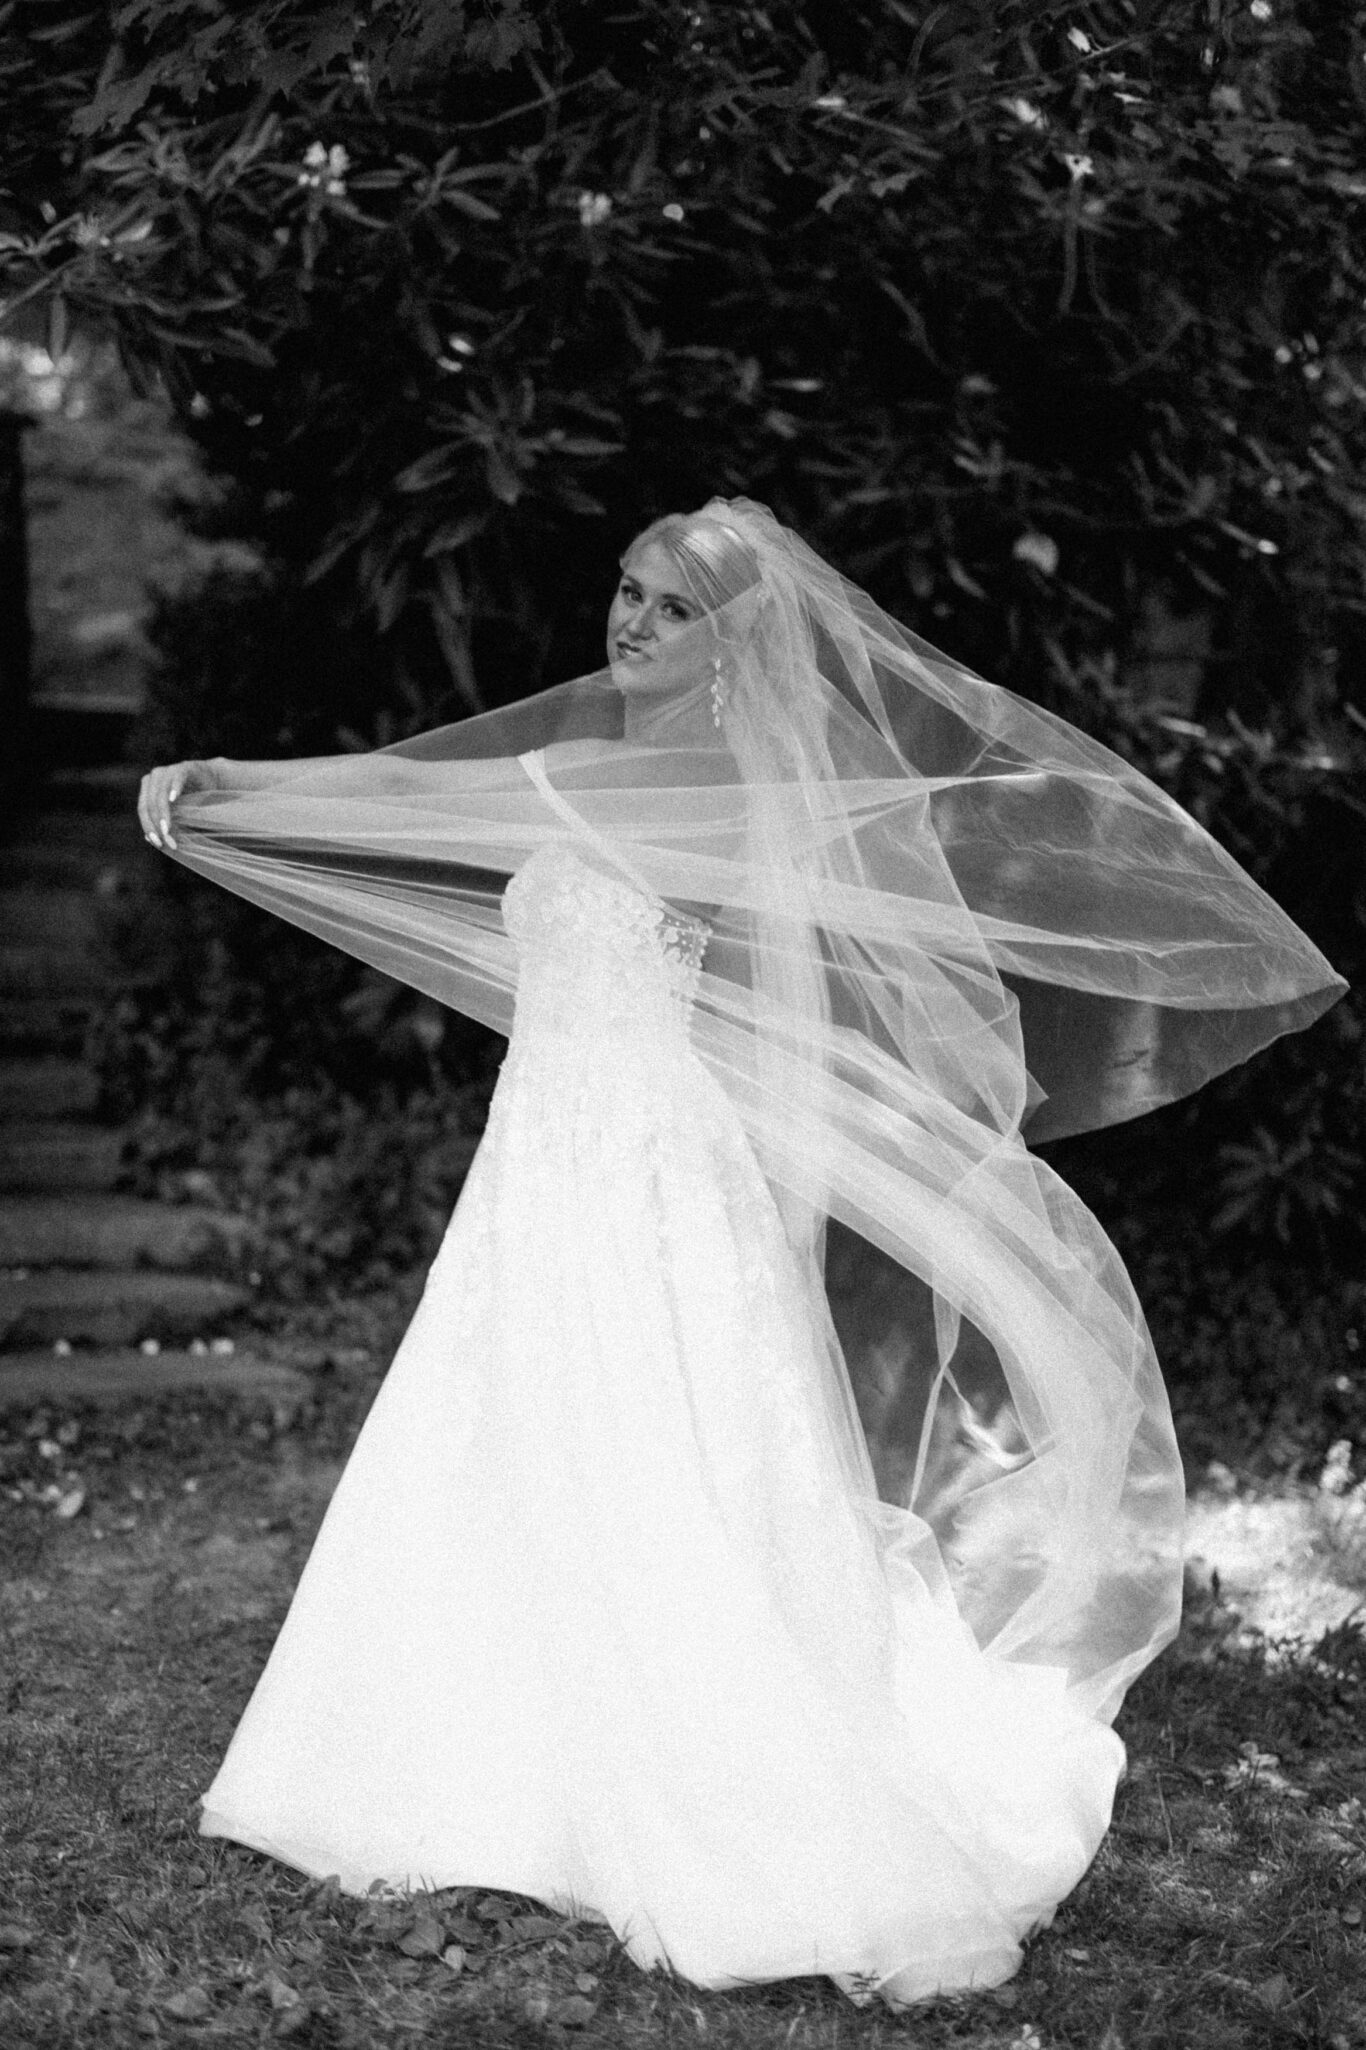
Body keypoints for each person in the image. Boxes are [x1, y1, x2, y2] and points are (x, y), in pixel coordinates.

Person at [137, 498, 1345, 2012]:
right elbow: (397, 793)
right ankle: (474, 1736)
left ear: (734, 644)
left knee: (659, 1455)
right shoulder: (588, 770)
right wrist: (227, 787)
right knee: (506, 1431)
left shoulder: (732, 803)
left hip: (653, 1175)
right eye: (625, 592)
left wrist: (770, 1251)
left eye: (669, 609)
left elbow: (779, 1030)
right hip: (544, 1168)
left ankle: (673, 1768)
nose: (631, 624)